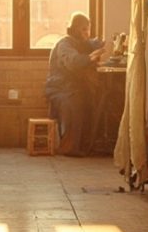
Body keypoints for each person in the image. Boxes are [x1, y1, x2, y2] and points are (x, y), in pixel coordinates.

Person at [45, 13, 109, 157]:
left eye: (88, 29)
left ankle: (88, 144)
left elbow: (94, 43)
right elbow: (73, 61)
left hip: (72, 87)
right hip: (59, 88)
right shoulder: (64, 45)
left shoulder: (82, 43)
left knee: (92, 100)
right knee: (74, 102)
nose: (87, 33)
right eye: (83, 30)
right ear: (74, 30)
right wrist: (90, 57)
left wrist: (105, 43)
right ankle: (69, 147)